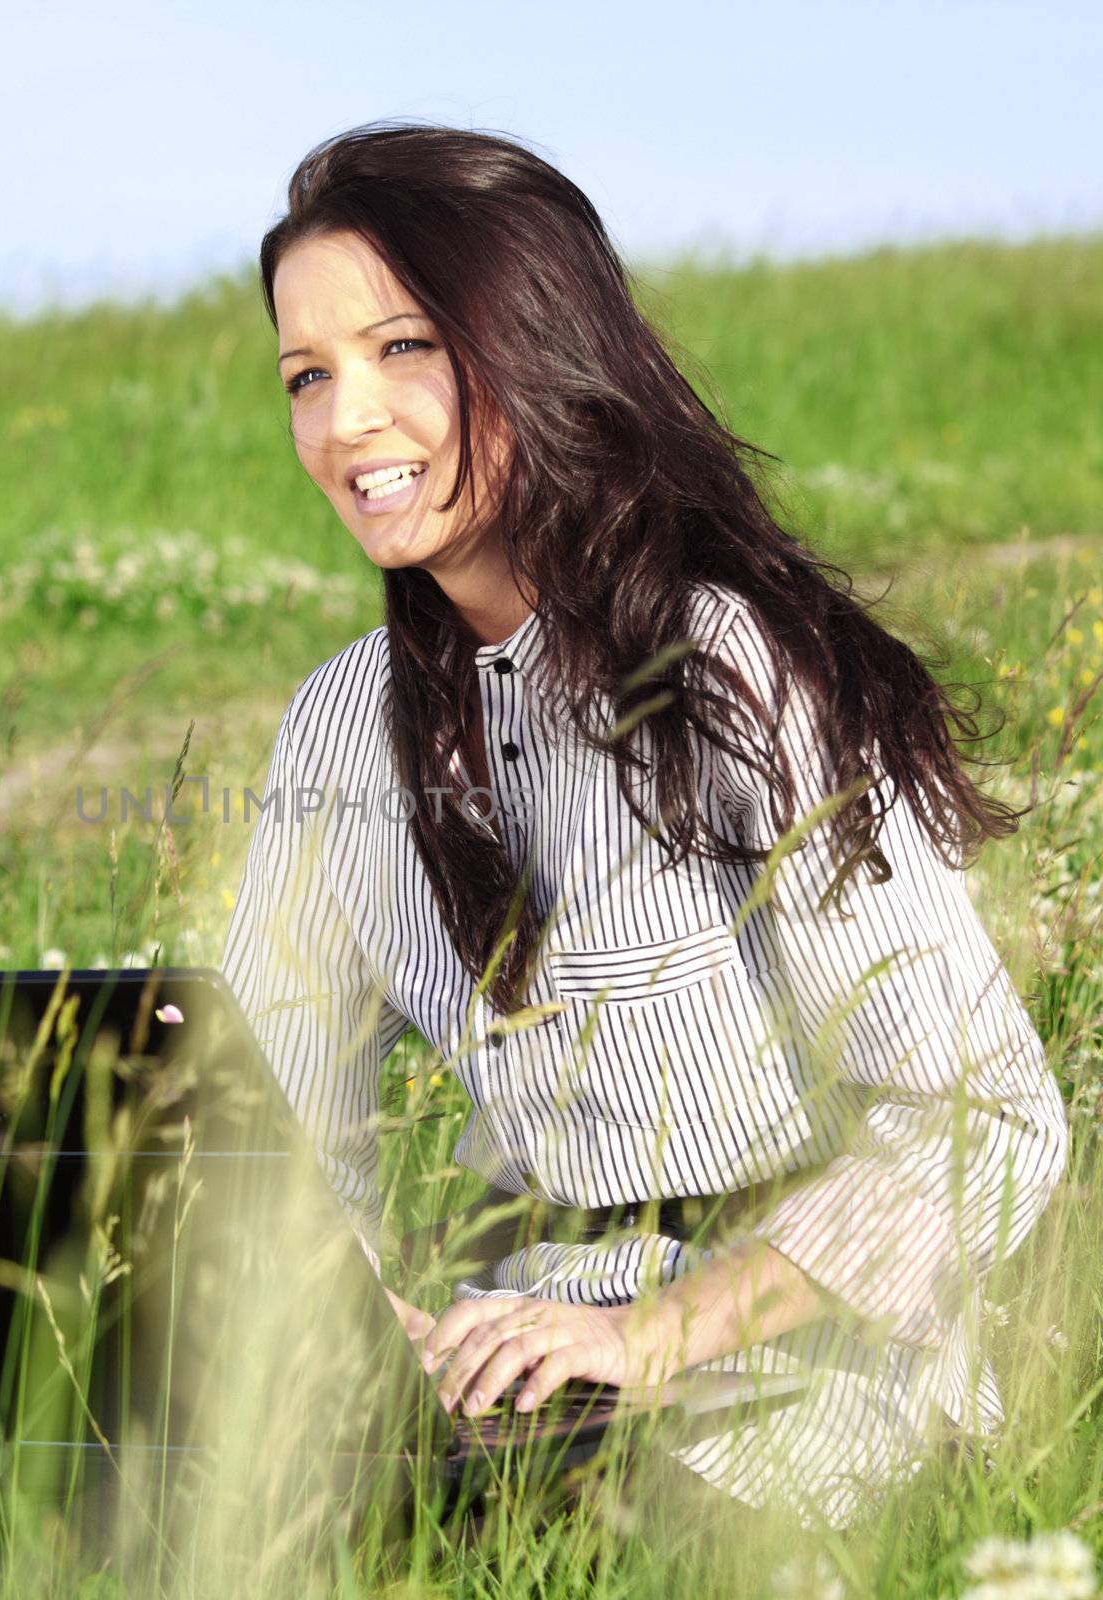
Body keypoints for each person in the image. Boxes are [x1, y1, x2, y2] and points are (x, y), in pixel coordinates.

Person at [217, 120, 1068, 1532]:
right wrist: (375, 1333)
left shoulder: (730, 666)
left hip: (803, 1391)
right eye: (307, 376)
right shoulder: (340, 729)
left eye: (403, 349)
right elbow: (270, 1142)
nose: (344, 420)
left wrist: (648, 1340)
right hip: (519, 1379)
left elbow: (984, 1121)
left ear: (530, 341)